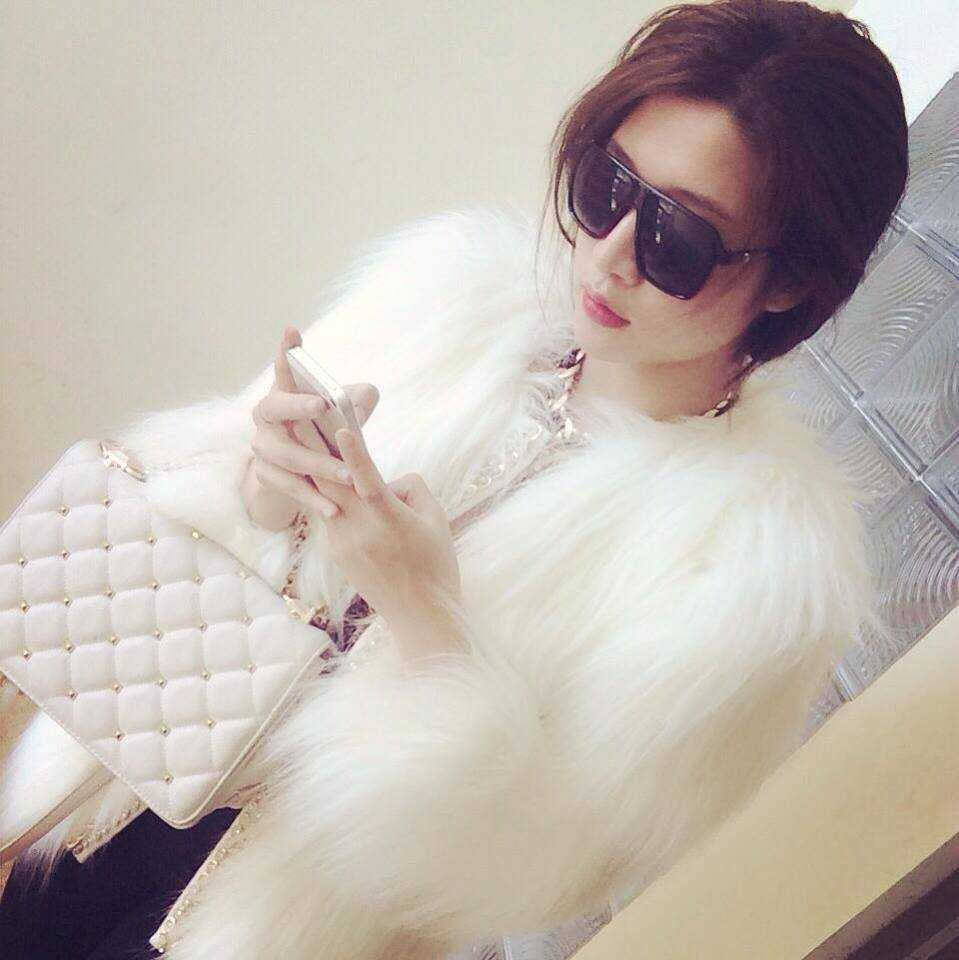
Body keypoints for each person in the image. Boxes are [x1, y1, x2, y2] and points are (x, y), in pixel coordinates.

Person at [0, 1, 908, 958]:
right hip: (116, 784)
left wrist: (427, 619)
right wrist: (262, 483)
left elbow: (543, 864)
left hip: (285, 923)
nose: (606, 255)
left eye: (675, 240)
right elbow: (219, 525)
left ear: (789, 283)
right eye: (605, 185)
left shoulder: (757, 578)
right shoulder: (443, 296)